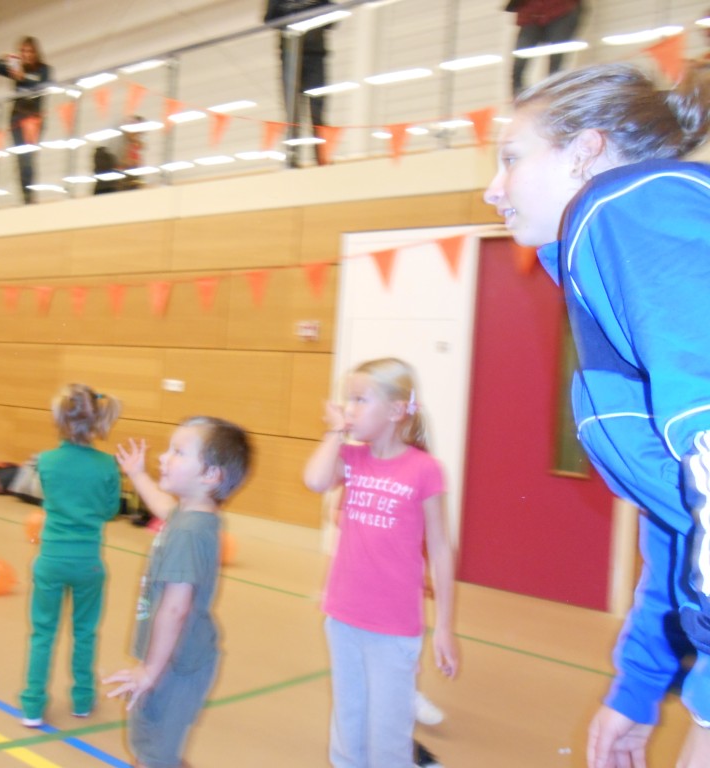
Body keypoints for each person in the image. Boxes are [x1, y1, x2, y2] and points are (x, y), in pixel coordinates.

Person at [483, 62, 710, 768]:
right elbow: (678, 523)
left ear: (586, 150)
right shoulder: (614, 248)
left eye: (511, 159)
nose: (493, 188)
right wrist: (639, 686)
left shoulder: (630, 207)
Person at [303, 358, 458, 767]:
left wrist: (444, 626)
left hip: (393, 628)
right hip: (343, 616)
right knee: (348, 725)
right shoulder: (351, 459)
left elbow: (441, 548)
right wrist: (335, 432)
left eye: (360, 399)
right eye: (347, 399)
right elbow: (315, 480)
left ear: (395, 410)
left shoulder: (425, 470)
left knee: (387, 737)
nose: (349, 408)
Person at [105, 416, 252, 768]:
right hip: (172, 658)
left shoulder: (188, 533)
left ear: (211, 475)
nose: (163, 457)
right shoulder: (191, 516)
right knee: (154, 750)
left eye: (178, 452)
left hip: (176, 667)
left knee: (154, 755)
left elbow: (175, 609)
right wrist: (137, 474)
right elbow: (163, 508)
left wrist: (150, 672)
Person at [20, 384, 122, 727]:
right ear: (96, 421)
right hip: (88, 563)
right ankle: (82, 699)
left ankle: (32, 705)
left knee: (42, 633)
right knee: (85, 633)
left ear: (60, 419)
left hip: (50, 560)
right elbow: (109, 511)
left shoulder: (46, 461)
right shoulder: (107, 465)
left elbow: (48, 496)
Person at [264, 0, 334, 166]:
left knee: (317, 110)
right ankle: (293, 157)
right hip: (290, 54)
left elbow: (334, 18)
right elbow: (270, 20)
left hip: (315, 54)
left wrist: (313, 20)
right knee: (292, 112)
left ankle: (321, 157)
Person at [0, 36, 52, 204]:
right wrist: (5, 59)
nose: (26, 55)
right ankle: (25, 195)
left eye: (29, 51)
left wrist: (23, 77)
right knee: (21, 158)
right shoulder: (17, 69)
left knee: (29, 158)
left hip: (34, 119)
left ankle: (30, 194)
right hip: (17, 118)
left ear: (35, 52)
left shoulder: (44, 70)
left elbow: (42, 84)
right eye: (23, 51)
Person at [506, 0, 582, 97]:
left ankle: (555, 97)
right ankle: (522, 99)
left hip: (560, 11)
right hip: (531, 14)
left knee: (556, 62)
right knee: (519, 63)